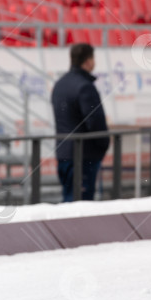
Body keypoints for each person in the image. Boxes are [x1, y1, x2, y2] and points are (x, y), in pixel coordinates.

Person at [51, 43, 110, 201]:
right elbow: (96, 123)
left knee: (69, 202)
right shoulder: (85, 87)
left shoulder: (60, 85)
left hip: (63, 154)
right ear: (89, 61)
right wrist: (104, 145)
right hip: (83, 157)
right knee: (80, 207)